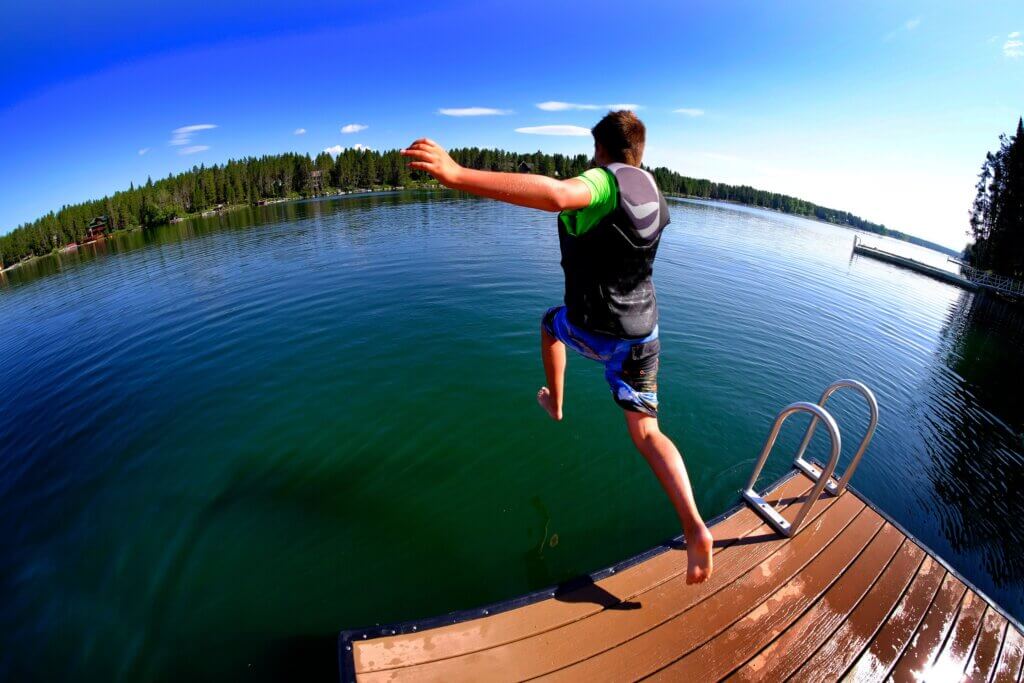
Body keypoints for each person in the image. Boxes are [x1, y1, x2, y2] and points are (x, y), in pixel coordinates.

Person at [401, 110, 713, 584]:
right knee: (649, 434)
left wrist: (457, 173)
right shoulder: (653, 192)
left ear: (602, 150)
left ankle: (556, 403)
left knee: (550, 325)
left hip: (598, 325)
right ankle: (694, 526)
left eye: (595, 152)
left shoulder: (605, 182)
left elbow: (555, 194)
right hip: (644, 334)